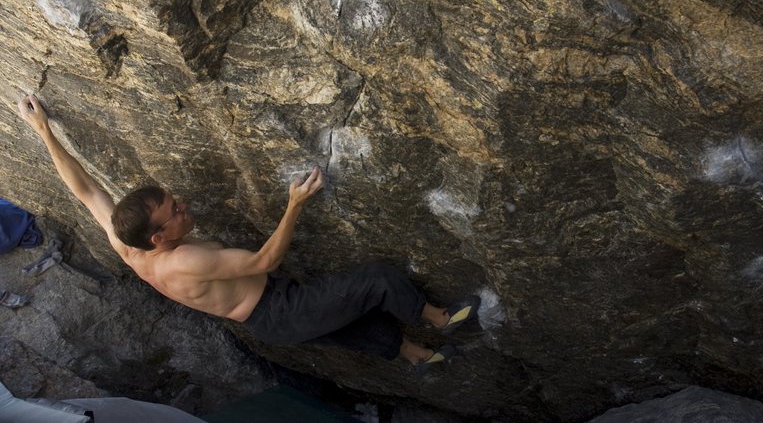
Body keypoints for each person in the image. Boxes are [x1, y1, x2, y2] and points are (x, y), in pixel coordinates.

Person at [16, 94, 479, 371]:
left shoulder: (127, 243)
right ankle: (440, 318)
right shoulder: (183, 262)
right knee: (376, 281)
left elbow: (84, 190)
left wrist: (43, 130)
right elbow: (262, 262)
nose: (182, 205)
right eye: (173, 210)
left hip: (268, 319)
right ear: (159, 236)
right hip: (278, 308)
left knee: (356, 323)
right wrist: (294, 205)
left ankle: (416, 356)